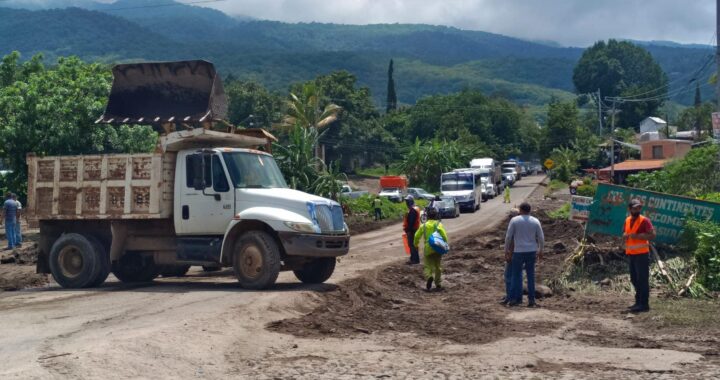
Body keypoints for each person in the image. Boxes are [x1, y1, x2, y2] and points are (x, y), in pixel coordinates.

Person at [505, 202, 544, 307]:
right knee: (531, 276)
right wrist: (541, 250)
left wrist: (506, 251)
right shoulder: (535, 221)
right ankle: (531, 300)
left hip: (518, 251)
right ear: (529, 210)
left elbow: (508, 237)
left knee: (516, 275)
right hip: (531, 251)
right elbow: (541, 237)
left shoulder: (515, 220)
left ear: (520, 210)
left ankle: (513, 299)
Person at [623, 199, 656, 313]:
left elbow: (652, 235)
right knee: (634, 279)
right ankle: (638, 302)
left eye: (638, 208)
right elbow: (625, 232)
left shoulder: (645, 220)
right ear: (630, 209)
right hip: (631, 254)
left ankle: (644, 304)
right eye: (634, 208)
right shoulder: (627, 220)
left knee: (642, 280)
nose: (637, 210)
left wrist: (637, 236)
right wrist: (625, 236)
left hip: (642, 254)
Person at [413, 207, 448, 291]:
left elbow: (416, 236)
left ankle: (429, 277)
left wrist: (415, 244)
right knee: (438, 267)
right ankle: (438, 283)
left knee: (427, 266)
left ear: (428, 216)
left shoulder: (424, 226)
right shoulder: (438, 225)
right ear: (436, 215)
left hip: (428, 248)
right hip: (437, 248)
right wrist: (445, 244)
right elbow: (444, 236)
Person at [403, 195, 421, 265]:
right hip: (415, 229)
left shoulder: (413, 210)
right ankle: (414, 259)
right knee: (414, 245)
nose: (406, 203)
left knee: (412, 245)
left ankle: (414, 260)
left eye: (407, 201)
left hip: (412, 230)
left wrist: (408, 230)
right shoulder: (415, 208)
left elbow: (411, 222)